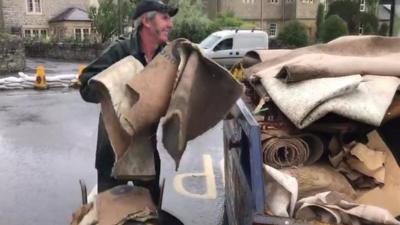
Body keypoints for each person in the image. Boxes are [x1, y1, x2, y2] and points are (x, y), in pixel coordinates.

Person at [79, 0, 178, 204]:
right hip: (112, 152)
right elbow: (85, 86)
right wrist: (113, 86)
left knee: (150, 210)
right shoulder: (121, 50)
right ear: (146, 21)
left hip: (146, 149)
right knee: (110, 212)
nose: (170, 24)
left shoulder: (167, 56)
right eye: (165, 17)